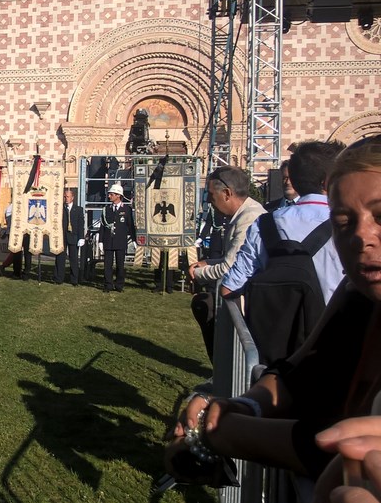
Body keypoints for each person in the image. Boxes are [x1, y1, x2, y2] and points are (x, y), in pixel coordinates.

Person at [163, 136, 381, 493]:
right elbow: (301, 370)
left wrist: (220, 432)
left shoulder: (264, 224)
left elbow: (338, 446)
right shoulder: (355, 294)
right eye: (343, 221)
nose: (362, 237)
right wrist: (245, 405)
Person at [221, 140, 346, 304]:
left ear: (293, 179)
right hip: (335, 322)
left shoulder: (264, 224)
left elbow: (229, 287)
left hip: (279, 326)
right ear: (328, 180)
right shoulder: (350, 223)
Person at [186, 166, 267, 361]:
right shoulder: (243, 214)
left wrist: (197, 273)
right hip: (242, 292)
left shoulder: (249, 219)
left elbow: (230, 266)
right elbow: (232, 257)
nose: (208, 201)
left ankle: (221, 368)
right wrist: (206, 262)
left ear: (227, 194)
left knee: (204, 305)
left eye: (212, 196)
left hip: (249, 298)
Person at [99, 183, 136, 293]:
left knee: (120, 265)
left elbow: (130, 225)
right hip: (108, 241)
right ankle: (108, 285)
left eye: (111, 194)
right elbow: (102, 226)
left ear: (118, 195)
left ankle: (119, 285)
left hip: (120, 241)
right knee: (107, 265)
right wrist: (101, 240)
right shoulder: (106, 209)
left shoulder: (127, 209)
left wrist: (134, 239)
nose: (109, 196)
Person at [54, 188, 86, 286]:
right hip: (62, 236)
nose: (66, 199)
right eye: (64, 197)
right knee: (60, 258)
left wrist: (81, 237)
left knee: (74, 258)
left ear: (72, 197)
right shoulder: (60, 209)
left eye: (67, 197)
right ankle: (59, 278)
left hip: (73, 236)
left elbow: (81, 224)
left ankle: (74, 279)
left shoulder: (78, 209)